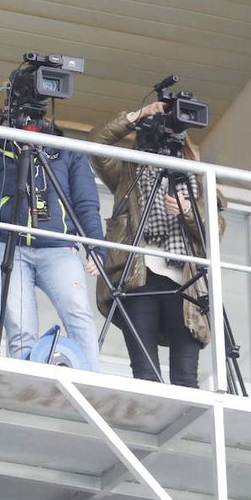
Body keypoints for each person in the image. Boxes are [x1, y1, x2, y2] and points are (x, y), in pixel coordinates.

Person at [89, 102, 226, 387]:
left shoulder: (199, 180)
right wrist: (135, 117)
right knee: (146, 374)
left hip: (187, 284)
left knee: (186, 378)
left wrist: (189, 211)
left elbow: (215, 233)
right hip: (139, 278)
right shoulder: (129, 171)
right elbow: (98, 144)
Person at [0, 121, 106, 371]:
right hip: (5, 243)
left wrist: (95, 247)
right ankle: (27, 386)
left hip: (59, 247)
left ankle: (91, 384)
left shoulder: (67, 151)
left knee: (78, 315)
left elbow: (86, 205)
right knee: (20, 327)